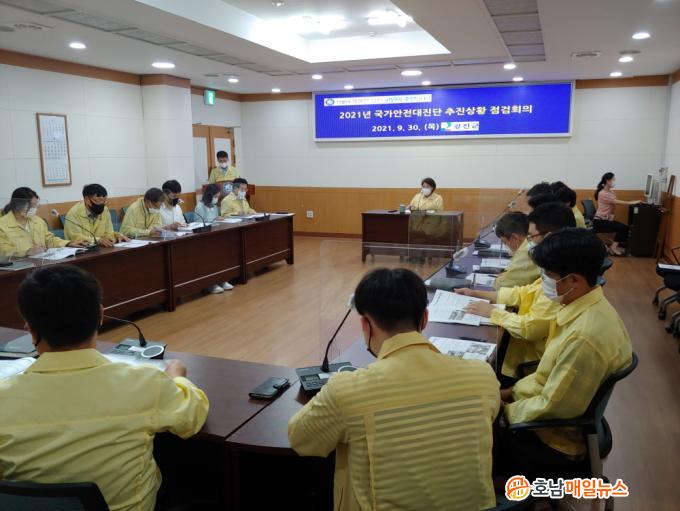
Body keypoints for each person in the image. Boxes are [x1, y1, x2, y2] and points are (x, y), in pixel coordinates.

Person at [0, 264, 209, 511]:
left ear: (30, 329)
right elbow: (193, 416)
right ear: (100, 315)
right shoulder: (145, 384)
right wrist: (177, 378)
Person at [288, 268, 499, 511]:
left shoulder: (347, 390)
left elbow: (300, 439)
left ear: (365, 324)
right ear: (424, 319)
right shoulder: (482, 376)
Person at [497, 228, 633, 479]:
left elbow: (553, 406)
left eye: (548, 276)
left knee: (469, 435)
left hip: (553, 442)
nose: (544, 281)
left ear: (574, 281)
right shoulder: (586, 306)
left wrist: (504, 411)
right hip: (552, 417)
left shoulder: (584, 337)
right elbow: (548, 377)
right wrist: (509, 393)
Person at [458, 202, 576, 387]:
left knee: (472, 371)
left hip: (527, 363)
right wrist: (477, 293)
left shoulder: (561, 280)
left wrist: (492, 312)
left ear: (550, 236)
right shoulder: (557, 267)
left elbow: (530, 328)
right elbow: (523, 293)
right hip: (525, 349)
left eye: (531, 236)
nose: (528, 242)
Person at [0, 187, 88, 257]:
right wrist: (27, 252)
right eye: (33, 205)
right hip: (17, 267)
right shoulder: (2, 225)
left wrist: (68, 243)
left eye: (36, 204)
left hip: (41, 262)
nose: (36, 208)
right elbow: (3, 250)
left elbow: (49, 239)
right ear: (19, 205)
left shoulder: (37, 220)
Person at [194, 185, 235, 293]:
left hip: (216, 236)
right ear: (209, 195)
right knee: (211, 257)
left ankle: (222, 280)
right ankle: (210, 284)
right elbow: (198, 224)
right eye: (215, 196)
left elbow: (217, 221)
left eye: (218, 196)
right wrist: (214, 220)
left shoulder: (215, 207)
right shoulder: (200, 207)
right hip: (204, 240)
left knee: (223, 254)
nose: (217, 199)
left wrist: (220, 219)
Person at [64, 183, 129, 247]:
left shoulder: (105, 210)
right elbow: (76, 238)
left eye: (104, 201)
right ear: (87, 199)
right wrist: (98, 240)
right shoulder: (73, 214)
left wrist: (116, 236)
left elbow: (109, 232)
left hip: (102, 249)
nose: (101, 204)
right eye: (97, 201)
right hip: (81, 251)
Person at [593, 172, 641, 256]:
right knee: (623, 228)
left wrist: (612, 215)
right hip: (600, 222)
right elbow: (616, 202)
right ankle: (613, 247)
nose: (614, 181)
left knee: (624, 227)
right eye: (613, 180)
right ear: (607, 181)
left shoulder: (610, 192)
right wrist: (632, 202)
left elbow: (613, 205)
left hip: (605, 220)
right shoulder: (603, 193)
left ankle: (614, 247)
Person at [492, 212, 540, 289]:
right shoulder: (530, 243)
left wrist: (500, 277)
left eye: (505, 242)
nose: (506, 246)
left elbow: (500, 285)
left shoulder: (526, 253)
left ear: (515, 238)